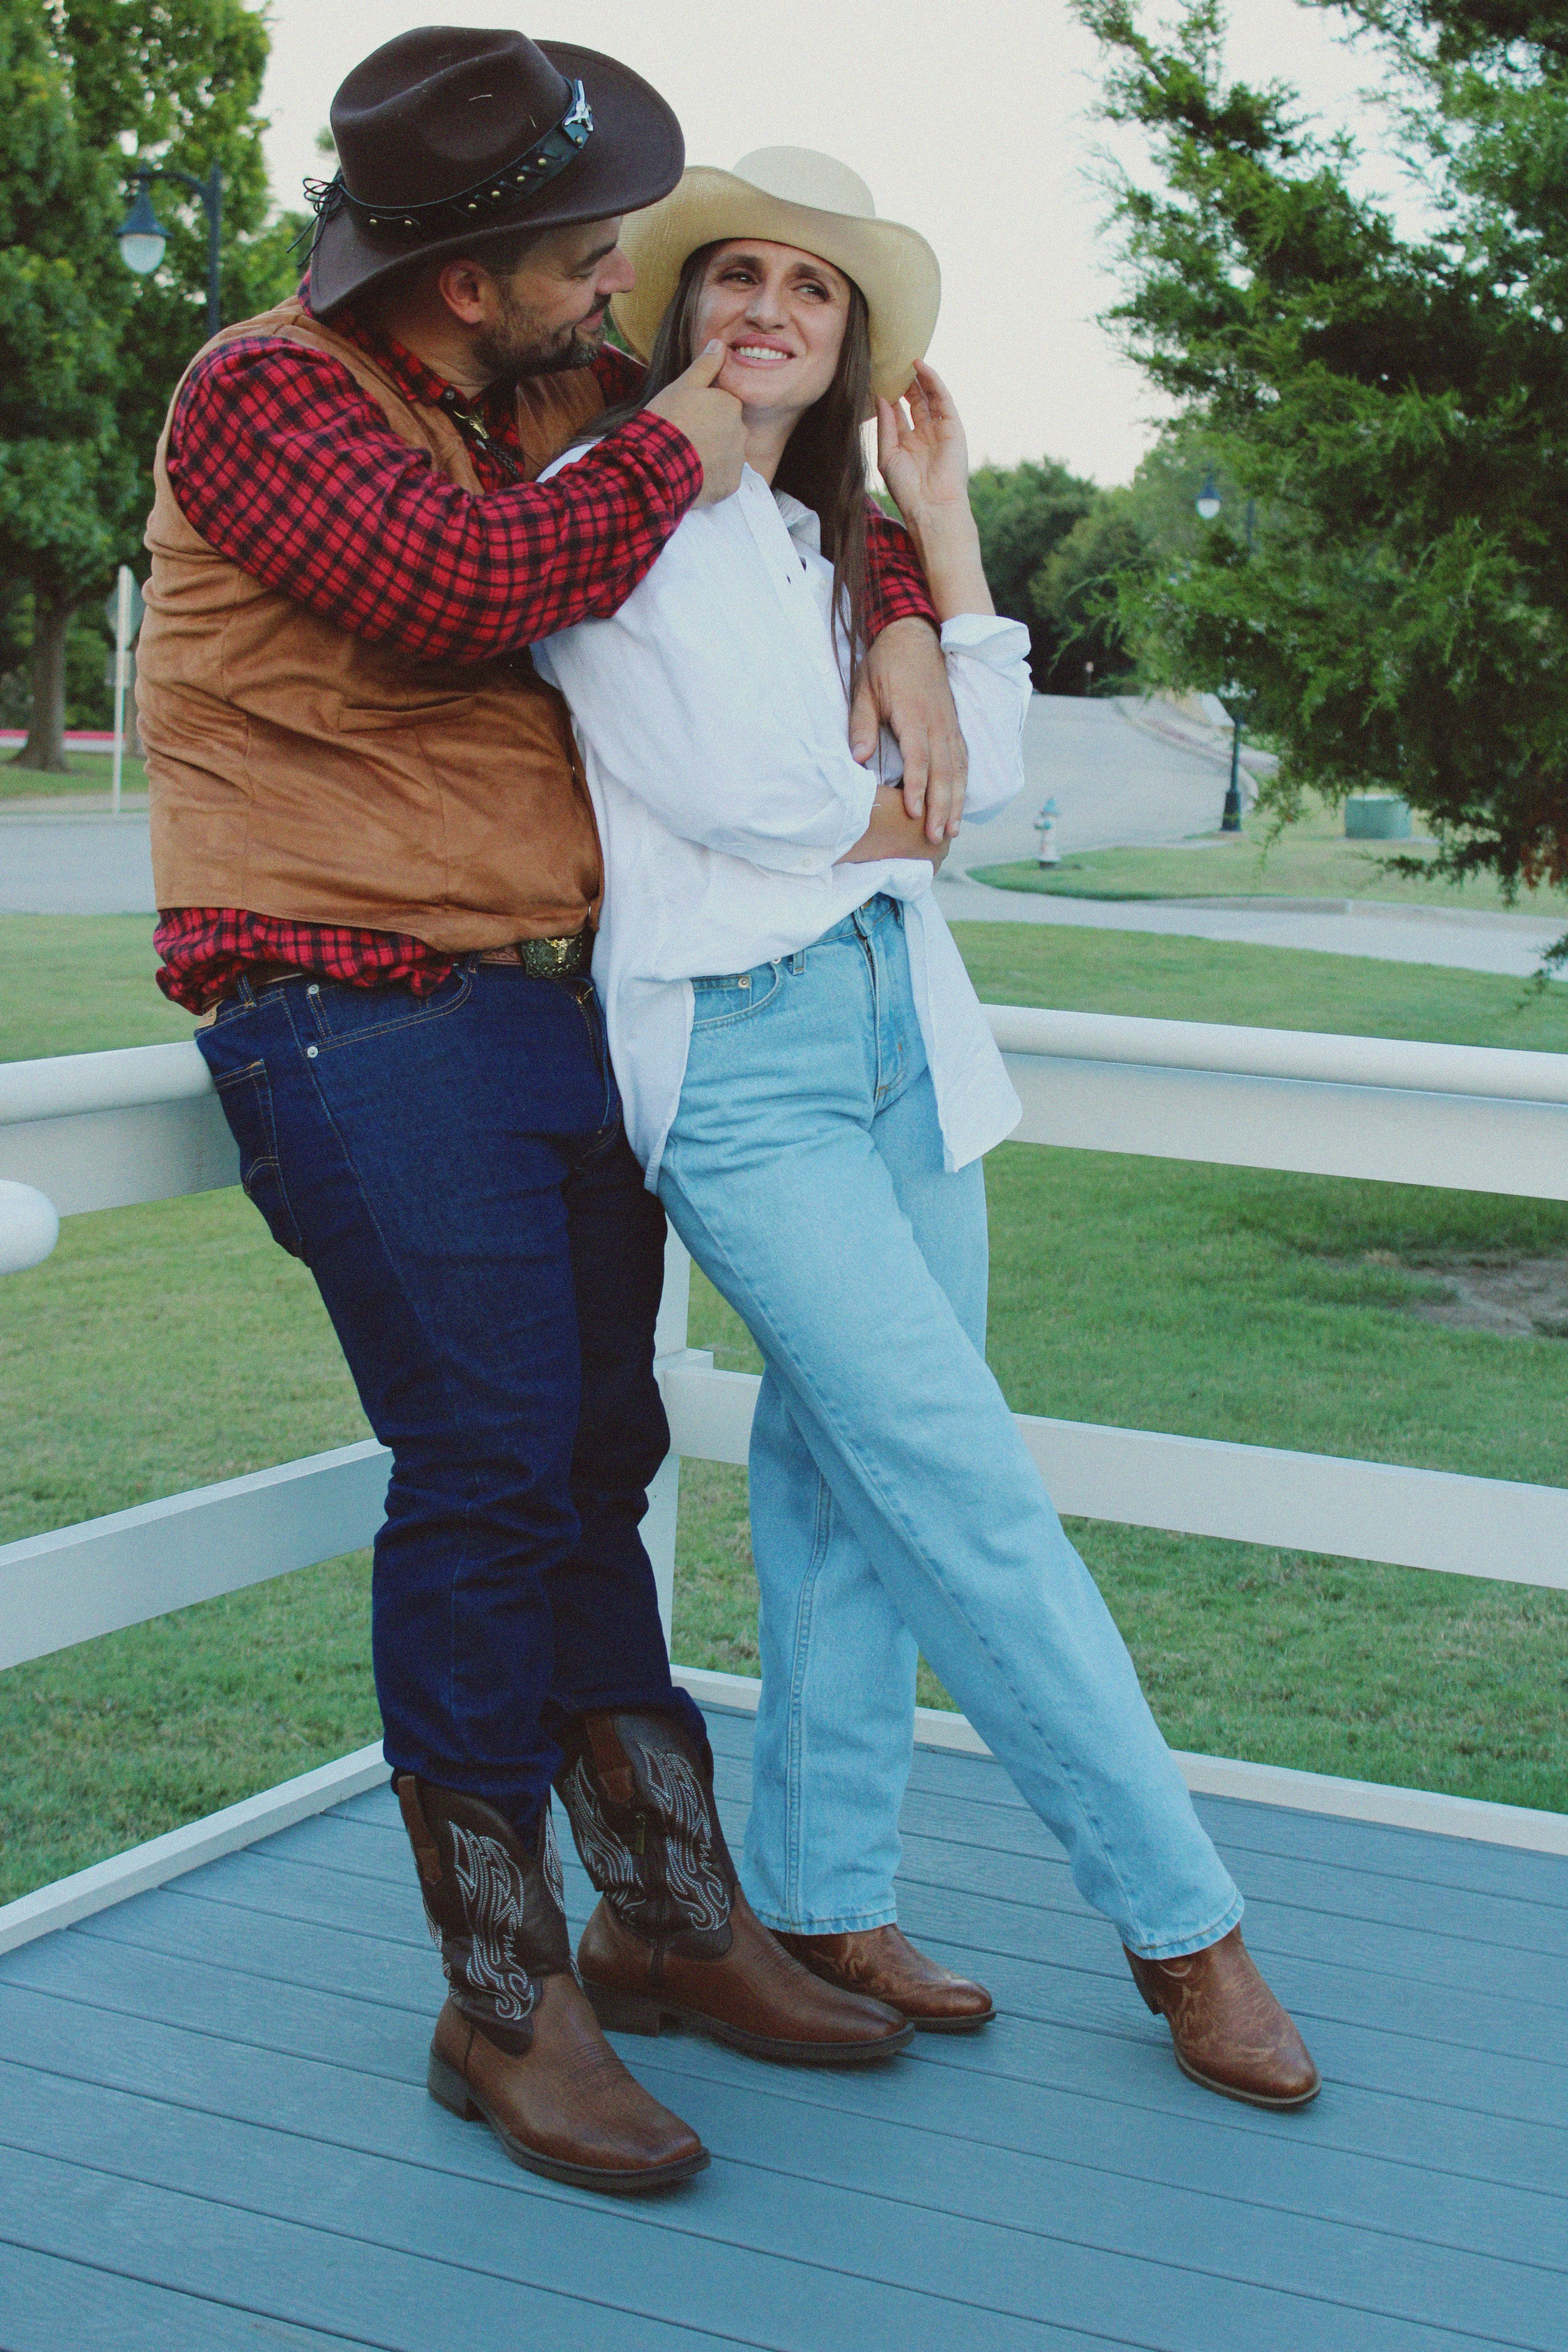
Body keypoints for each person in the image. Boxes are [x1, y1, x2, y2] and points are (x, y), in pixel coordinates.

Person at [135, 29, 979, 2197]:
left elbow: (791, 489)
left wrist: (896, 614)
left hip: (545, 1006)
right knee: (496, 1468)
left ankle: (676, 1920)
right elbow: (462, 584)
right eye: (591, 263)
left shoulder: (546, 385)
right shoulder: (267, 395)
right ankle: (502, 1999)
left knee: (598, 1450)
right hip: (345, 1004)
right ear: (469, 277)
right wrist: (682, 424)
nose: (630, 297)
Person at [533, 147, 1322, 2109]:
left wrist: (943, 544)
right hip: (743, 1059)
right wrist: (902, 770)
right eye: (737, 276)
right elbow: (779, 799)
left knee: (836, 1486)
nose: (770, 311)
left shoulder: (821, 550)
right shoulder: (608, 511)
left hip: (903, 1035)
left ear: (847, 342)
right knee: (964, 1489)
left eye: (813, 289)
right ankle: (1184, 1926)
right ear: (679, 310)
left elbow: (995, 762)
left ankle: (821, 1892)